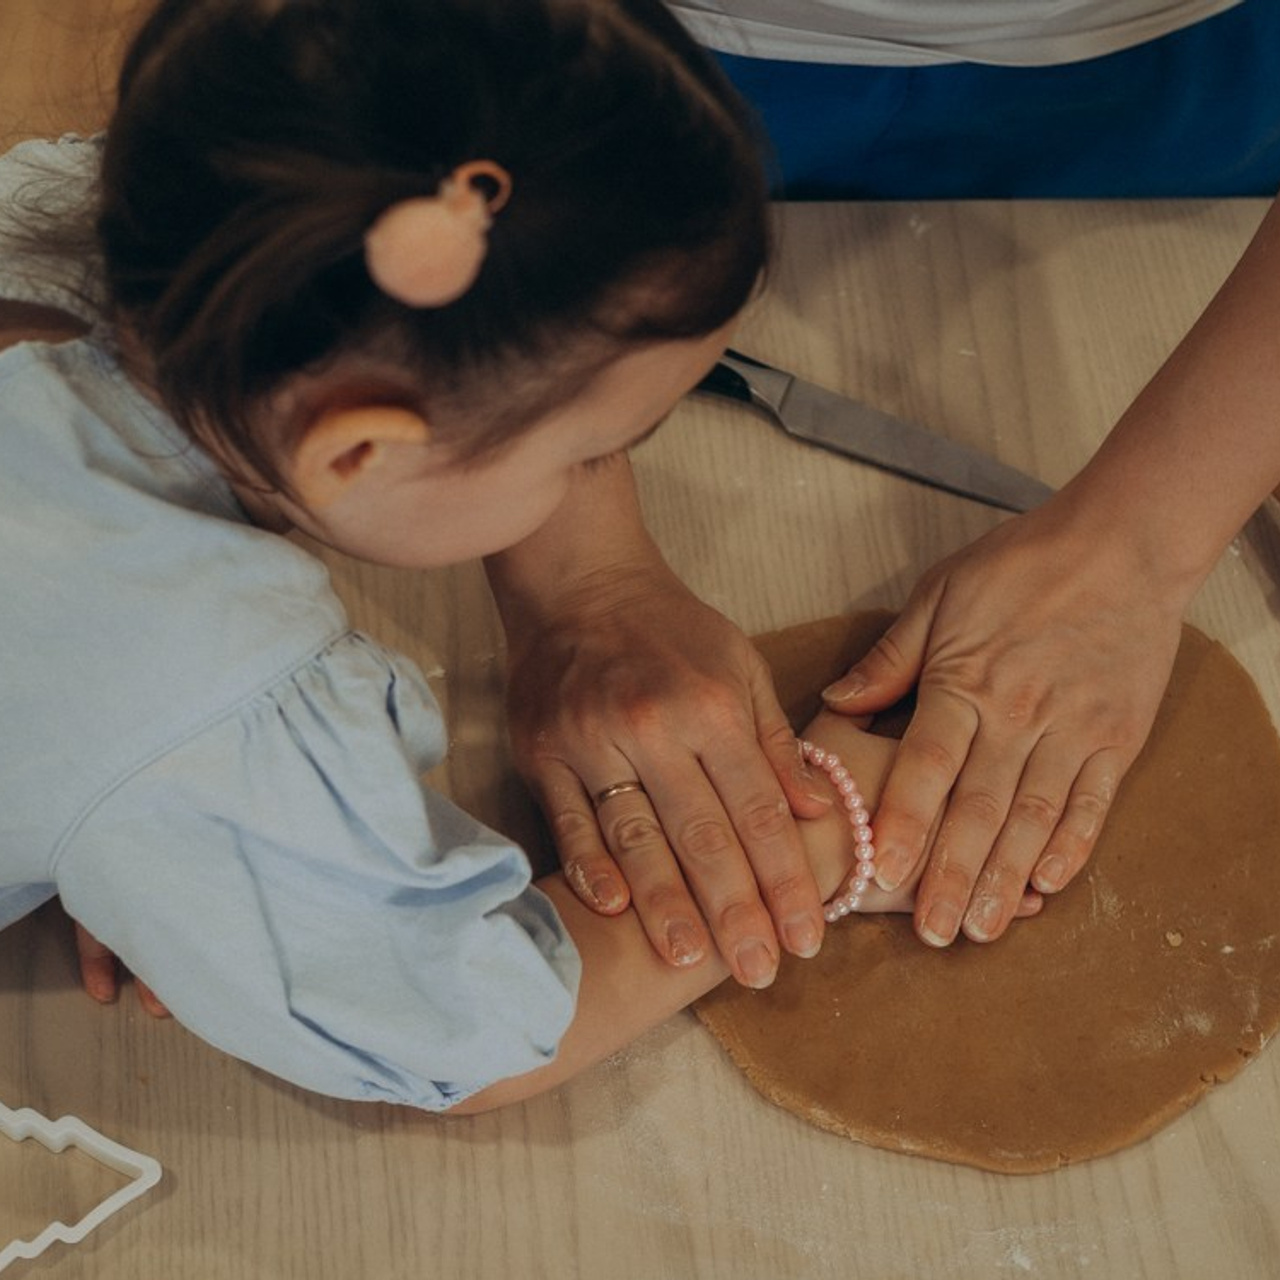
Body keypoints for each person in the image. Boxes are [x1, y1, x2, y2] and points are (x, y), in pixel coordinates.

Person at [0, 0, 981, 1111]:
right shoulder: (191, 686)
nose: (597, 488)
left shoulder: (117, 212)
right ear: (358, 447)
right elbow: (465, 1034)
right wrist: (814, 844)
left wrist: (141, 829)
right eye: (593, 451)